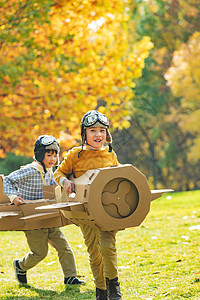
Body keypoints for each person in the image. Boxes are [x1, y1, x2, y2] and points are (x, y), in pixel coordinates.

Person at [54, 111, 122, 300]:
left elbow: (119, 176)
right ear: (85, 133)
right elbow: (58, 173)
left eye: (102, 130)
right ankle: (101, 290)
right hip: (84, 211)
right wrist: (65, 182)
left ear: (107, 133)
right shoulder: (76, 154)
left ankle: (113, 286)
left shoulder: (110, 154)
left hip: (107, 210)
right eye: (93, 130)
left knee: (108, 246)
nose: (98, 135)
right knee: (94, 252)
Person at [3, 135, 84, 286]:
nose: (53, 159)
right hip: (32, 218)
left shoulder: (50, 172)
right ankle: (20, 266)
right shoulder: (29, 170)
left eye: (55, 155)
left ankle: (70, 277)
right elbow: (7, 180)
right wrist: (13, 197)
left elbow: (55, 188)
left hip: (49, 216)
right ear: (40, 155)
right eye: (49, 155)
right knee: (40, 253)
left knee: (64, 247)